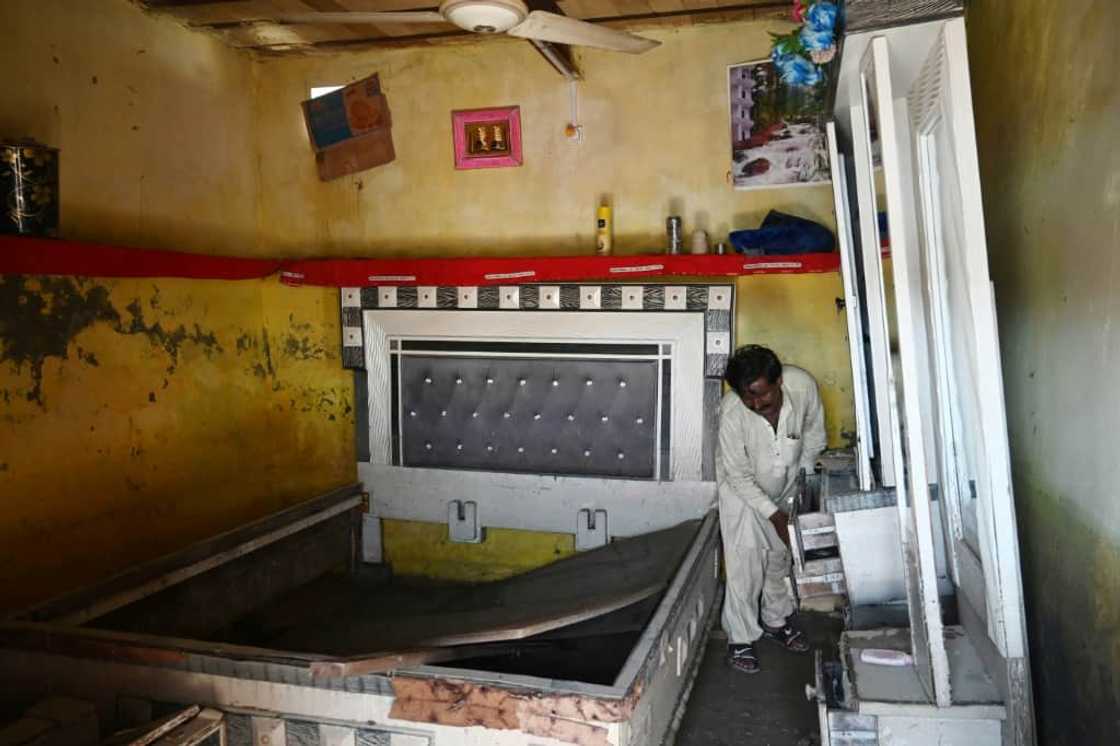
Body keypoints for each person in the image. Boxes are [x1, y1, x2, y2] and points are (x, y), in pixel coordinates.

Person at [716, 344, 827, 673]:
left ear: (778, 381)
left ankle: (776, 621)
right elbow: (737, 474)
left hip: (788, 482)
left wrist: (799, 484)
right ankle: (741, 638)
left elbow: (813, 433)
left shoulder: (803, 386)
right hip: (742, 490)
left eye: (761, 395)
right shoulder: (733, 412)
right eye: (747, 397)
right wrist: (773, 514)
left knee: (781, 557)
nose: (755, 404)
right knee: (745, 562)